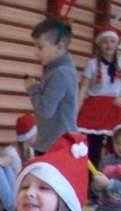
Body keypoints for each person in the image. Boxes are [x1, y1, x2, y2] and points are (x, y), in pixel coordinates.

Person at [77, 24, 121, 168]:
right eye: (105, 42)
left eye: (112, 41)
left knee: (116, 145)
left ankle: (115, 175)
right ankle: (91, 177)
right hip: (94, 107)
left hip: (114, 106)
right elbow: (84, 87)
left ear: (117, 44)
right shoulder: (92, 64)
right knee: (92, 146)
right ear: (99, 44)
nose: (109, 45)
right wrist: (76, 107)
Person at [25, 17, 78, 155]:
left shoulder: (60, 73)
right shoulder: (57, 69)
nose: (36, 52)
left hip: (57, 147)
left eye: (40, 47)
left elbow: (45, 110)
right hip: (54, 144)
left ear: (59, 47)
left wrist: (33, 89)